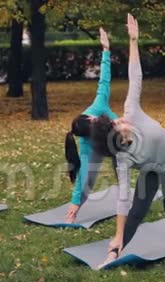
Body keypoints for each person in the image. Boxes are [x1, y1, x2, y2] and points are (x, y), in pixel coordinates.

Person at [93, 14, 165, 268]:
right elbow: (123, 200)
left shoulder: (131, 110)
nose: (123, 124)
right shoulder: (123, 159)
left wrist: (133, 41)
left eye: (119, 123)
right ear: (118, 143)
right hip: (151, 169)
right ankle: (115, 254)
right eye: (121, 133)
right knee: (138, 210)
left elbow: (135, 77)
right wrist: (118, 236)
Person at [64, 27, 118, 224]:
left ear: (90, 117)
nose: (97, 121)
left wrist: (105, 50)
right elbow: (84, 176)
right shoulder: (87, 144)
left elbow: (104, 80)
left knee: (122, 162)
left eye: (95, 120)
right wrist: (75, 203)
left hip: (120, 140)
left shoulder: (98, 105)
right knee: (89, 178)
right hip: (103, 146)